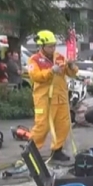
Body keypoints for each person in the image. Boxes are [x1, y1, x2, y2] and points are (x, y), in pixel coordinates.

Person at [27, 30, 79, 162]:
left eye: (54, 45)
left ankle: (57, 150)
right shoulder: (34, 60)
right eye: (50, 46)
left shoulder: (59, 57)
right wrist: (51, 71)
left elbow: (70, 73)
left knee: (63, 125)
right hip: (44, 99)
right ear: (41, 46)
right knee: (42, 126)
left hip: (60, 98)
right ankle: (31, 151)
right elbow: (36, 77)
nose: (53, 48)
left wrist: (72, 66)